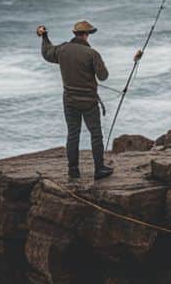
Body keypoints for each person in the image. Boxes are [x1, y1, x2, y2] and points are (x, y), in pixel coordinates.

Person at [37, 20, 142, 180]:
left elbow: (47, 53)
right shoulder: (92, 54)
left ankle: (73, 171)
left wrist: (44, 36)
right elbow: (103, 76)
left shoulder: (62, 50)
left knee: (73, 134)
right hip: (89, 102)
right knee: (96, 134)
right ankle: (99, 169)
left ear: (75, 34)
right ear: (86, 35)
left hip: (70, 100)